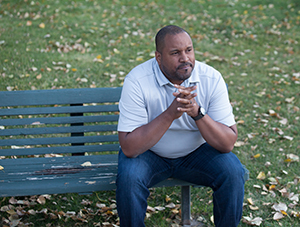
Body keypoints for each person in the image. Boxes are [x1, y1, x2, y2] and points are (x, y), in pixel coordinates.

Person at [116, 25, 245, 227]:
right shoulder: (138, 80)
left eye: (189, 50)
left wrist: (197, 112)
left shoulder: (211, 78)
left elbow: (228, 143)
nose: (185, 58)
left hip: (197, 154)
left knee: (233, 172)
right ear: (158, 57)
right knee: (130, 177)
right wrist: (170, 114)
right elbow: (130, 148)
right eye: (175, 53)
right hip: (150, 154)